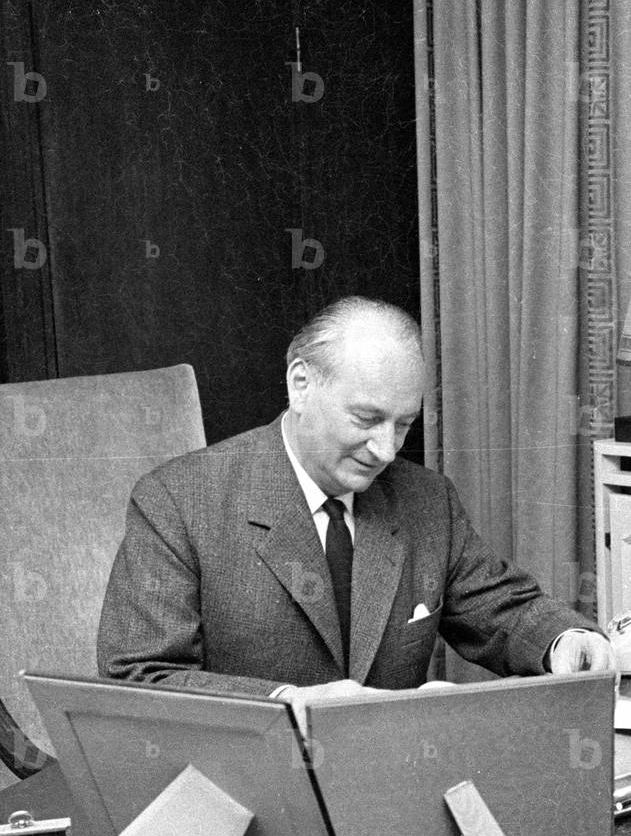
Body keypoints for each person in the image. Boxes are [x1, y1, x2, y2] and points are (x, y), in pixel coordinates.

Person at [97, 296, 615, 733]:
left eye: (404, 424)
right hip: (250, 788)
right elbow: (142, 675)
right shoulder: (178, 501)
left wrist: (564, 641)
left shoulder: (427, 501)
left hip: (389, 787)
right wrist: (286, 703)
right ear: (301, 384)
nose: (387, 450)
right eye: (366, 419)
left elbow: (499, 607)